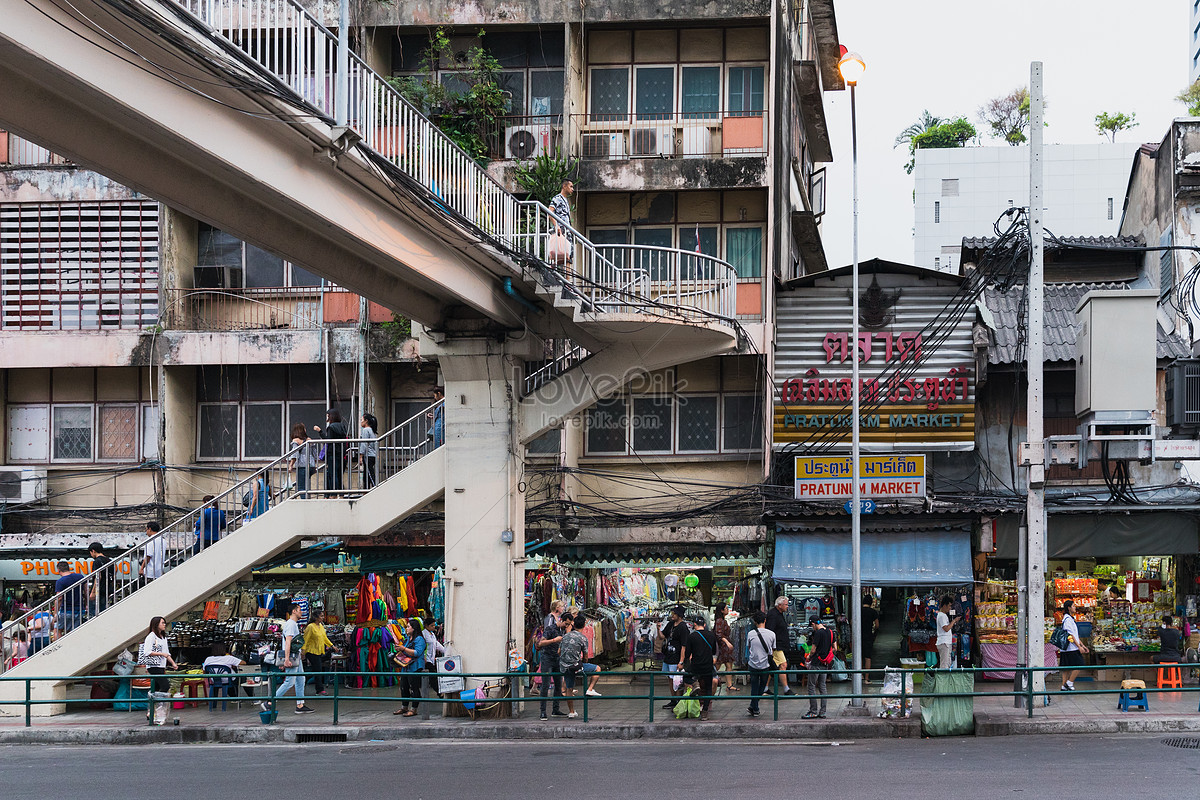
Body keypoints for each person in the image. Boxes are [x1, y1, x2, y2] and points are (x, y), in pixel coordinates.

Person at [267, 603, 315, 714]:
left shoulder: (292, 624)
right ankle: (270, 702)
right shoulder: (291, 624)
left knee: (300, 679)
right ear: (294, 611)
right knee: (289, 681)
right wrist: (286, 659)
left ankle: (300, 704)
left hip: (295, 656)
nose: (301, 612)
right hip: (292, 657)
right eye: (299, 610)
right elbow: (288, 642)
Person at [558, 613, 601, 718]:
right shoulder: (583, 638)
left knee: (569, 688)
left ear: (573, 625)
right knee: (597, 669)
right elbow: (586, 656)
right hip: (576, 666)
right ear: (584, 626)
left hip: (564, 666)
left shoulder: (565, 636)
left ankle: (571, 712)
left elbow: (559, 651)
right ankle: (590, 689)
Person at [679, 614, 718, 721]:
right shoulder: (711, 635)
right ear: (704, 625)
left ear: (694, 625)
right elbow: (714, 651)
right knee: (709, 689)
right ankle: (705, 712)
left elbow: (687, 654)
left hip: (696, 665)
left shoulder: (692, 636)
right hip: (708, 666)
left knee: (686, 677)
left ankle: (695, 683)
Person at [537, 600, 567, 720]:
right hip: (548, 655)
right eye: (562, 606)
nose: (563, 608)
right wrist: (555, 640)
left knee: (558, 684)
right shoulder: (550, 619)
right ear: (556, 608)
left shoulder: (561, 624)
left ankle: (556, 709)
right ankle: (543, 711)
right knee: (546, 684)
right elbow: (545, 637)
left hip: (557, 656)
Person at [745, 611, 776, 717]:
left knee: (754, 686)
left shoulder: (750, 634)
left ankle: (754, 706)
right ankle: (755, 707)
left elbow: (749, 648)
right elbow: (773, 649)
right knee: (762, 685)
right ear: (765, 620)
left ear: (754, 622)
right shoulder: (772, 634)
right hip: (765, 665)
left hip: (753, 664)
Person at [394, 617, 427, 718]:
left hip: (415, 667)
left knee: (414, 688)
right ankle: (404, 706)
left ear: (414, 628)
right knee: (404, 687)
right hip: (406, 666)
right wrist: (399, 649)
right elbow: (405, 650)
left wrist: (404, 648)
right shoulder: (407, 639)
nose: (406, 628)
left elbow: (417, 652)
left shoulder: (420, 639)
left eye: (408, 627)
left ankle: (414, 709)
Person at [803, 615, 835, 719]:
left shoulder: (818, 633)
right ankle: (822, 712)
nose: (812, 628)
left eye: (812, 626)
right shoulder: (830, 632)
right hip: (825, 664)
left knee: (811, 686)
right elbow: (835, 648)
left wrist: (809, 656)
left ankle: (813, 711)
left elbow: (813, 649)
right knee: (822, 686)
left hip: (816, 663)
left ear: (813, 623)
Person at [302, 609, 337, 695]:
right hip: (311, 651)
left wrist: (332, 646)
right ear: (316, 617)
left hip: (319, 651)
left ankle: (303, 681)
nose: (323, 618)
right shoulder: (310, 627)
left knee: (315, 669)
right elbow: (305, 640)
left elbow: (325, 638)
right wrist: (303, 651)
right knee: (318, 669)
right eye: (321, 616)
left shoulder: (321, 626)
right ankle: (319, 690)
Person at [765, 595, 795, 695]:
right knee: (783, 665)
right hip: (776, 646)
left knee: (772, 666)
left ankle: (764, 688)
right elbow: (770, 630)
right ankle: (786, 689)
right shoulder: (773, 615)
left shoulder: (779, 614)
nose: (787, 606)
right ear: (780, 605)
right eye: (786, 605)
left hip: (779, 645)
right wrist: (772, 646)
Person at [661, 606, 689, 709]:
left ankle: (678, 701)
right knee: (670, 679)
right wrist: (658, 627)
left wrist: (681, 661)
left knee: (677, 680)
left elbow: (684, 646)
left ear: (680, 615)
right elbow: (662, 636)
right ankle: (674, 700)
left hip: (676, 658)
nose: (672, 615)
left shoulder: (683, 627)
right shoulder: (671, 624)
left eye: (675, 613)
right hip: (668, 656)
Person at [313, 409, 348, 493]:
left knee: (333, 474)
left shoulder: (331, 427)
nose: (327, 417)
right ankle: (341, 493)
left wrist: (320, 431)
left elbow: (328, 440)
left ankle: (334, 493)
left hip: (332, 453)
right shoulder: (342, 426)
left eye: (328, 415)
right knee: (339, 474)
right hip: (341, 453)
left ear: (331, 416)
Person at [141, 615, 177, 696]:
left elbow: (166, 653)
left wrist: (173, 663)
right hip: (153, 666)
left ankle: (154, 706)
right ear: (156, 624)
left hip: (161, 665)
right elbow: (147, 652)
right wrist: (161, 654)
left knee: (156, 687)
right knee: (165, 686)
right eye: (162, 623)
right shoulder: (151, 637)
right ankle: (160, 705)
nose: (164, 625)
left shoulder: (163, 637)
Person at [1058, 599, 1088, 691]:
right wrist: (1079, 647)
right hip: (1070, 647)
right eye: (1073, 606)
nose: (1075, 608)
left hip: (1069, 648)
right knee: (1079, 664)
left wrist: (1082, 645)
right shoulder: (1067, 620)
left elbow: (1075, 634)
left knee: (1067, 667)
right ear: (1069, 608)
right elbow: (1070, 635)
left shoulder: (1069, 619)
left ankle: (1064, 686)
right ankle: (1069, 682)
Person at [53, 561, 85, 635]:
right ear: (68, 568)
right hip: (80, 609)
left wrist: (55, 613)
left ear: (58, 570)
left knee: (57, 630)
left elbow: (59, 598)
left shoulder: (60, 581)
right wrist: (86, 604)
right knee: (72, 631)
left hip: (66, 610)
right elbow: (86, 591)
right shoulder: (80, 577)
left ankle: (58, 646)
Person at [548, 178, 575, 266]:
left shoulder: (566, 200)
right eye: (571, 186)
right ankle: (557, 272)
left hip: (567, 230)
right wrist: (556, 226)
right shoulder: (557, 198)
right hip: (561, 229)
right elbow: (550, 212)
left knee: (568, 256)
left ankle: (567, 278)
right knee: (561, 253)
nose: (572, 189)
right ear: (564, 186)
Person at [288, 424, 316, 499]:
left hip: (302, 465)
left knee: (301, 486)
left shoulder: (296, 441)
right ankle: (307, 499)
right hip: (311, 465)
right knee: (306, 485)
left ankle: (305, 501)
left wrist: (290, 465)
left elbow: (295, 454)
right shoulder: (309, 440)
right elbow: (315, 453)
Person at [713, 602, 737, 692]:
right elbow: (719, 634)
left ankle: (729, 685)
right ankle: (711, 681)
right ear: (722, 610)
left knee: (728, 665)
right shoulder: (720, 621)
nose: (728, 610)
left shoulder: (722, 620)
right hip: (722, 647)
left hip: (724, 647)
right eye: (726, 608)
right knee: (718, 665)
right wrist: (727, 642)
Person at [860, 595, 880, 682]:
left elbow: (853, 622)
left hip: (859, 636)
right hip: (868, 636)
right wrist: (873, 631)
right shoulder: (873, 612)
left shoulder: (858, 611)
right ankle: (867, 678)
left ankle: (859, 675)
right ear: (871, 602)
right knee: (867, 657)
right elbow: (877, 625)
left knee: (859, 656)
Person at [357, 413, 378, 490]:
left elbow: (364, 444)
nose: (361, 422)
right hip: (372, 455)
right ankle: (366, 490)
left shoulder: (366, 430)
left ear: (366, 421)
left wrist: (360, 456)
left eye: (362, 420)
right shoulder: (372, 431)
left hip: (368, 456)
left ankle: (375, 488)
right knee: (367, 474)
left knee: (369, 474)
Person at [936, 596, 954, 669]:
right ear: (944, 605)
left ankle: (945, 679)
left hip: (945, 642)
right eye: (949, 606)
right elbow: (946, 628)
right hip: (944, 643)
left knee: (947, 663)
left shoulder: (943, 615)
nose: (950, 608)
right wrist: (953, 621)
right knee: (944, 664)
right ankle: (943, 680)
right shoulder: (942, 616)